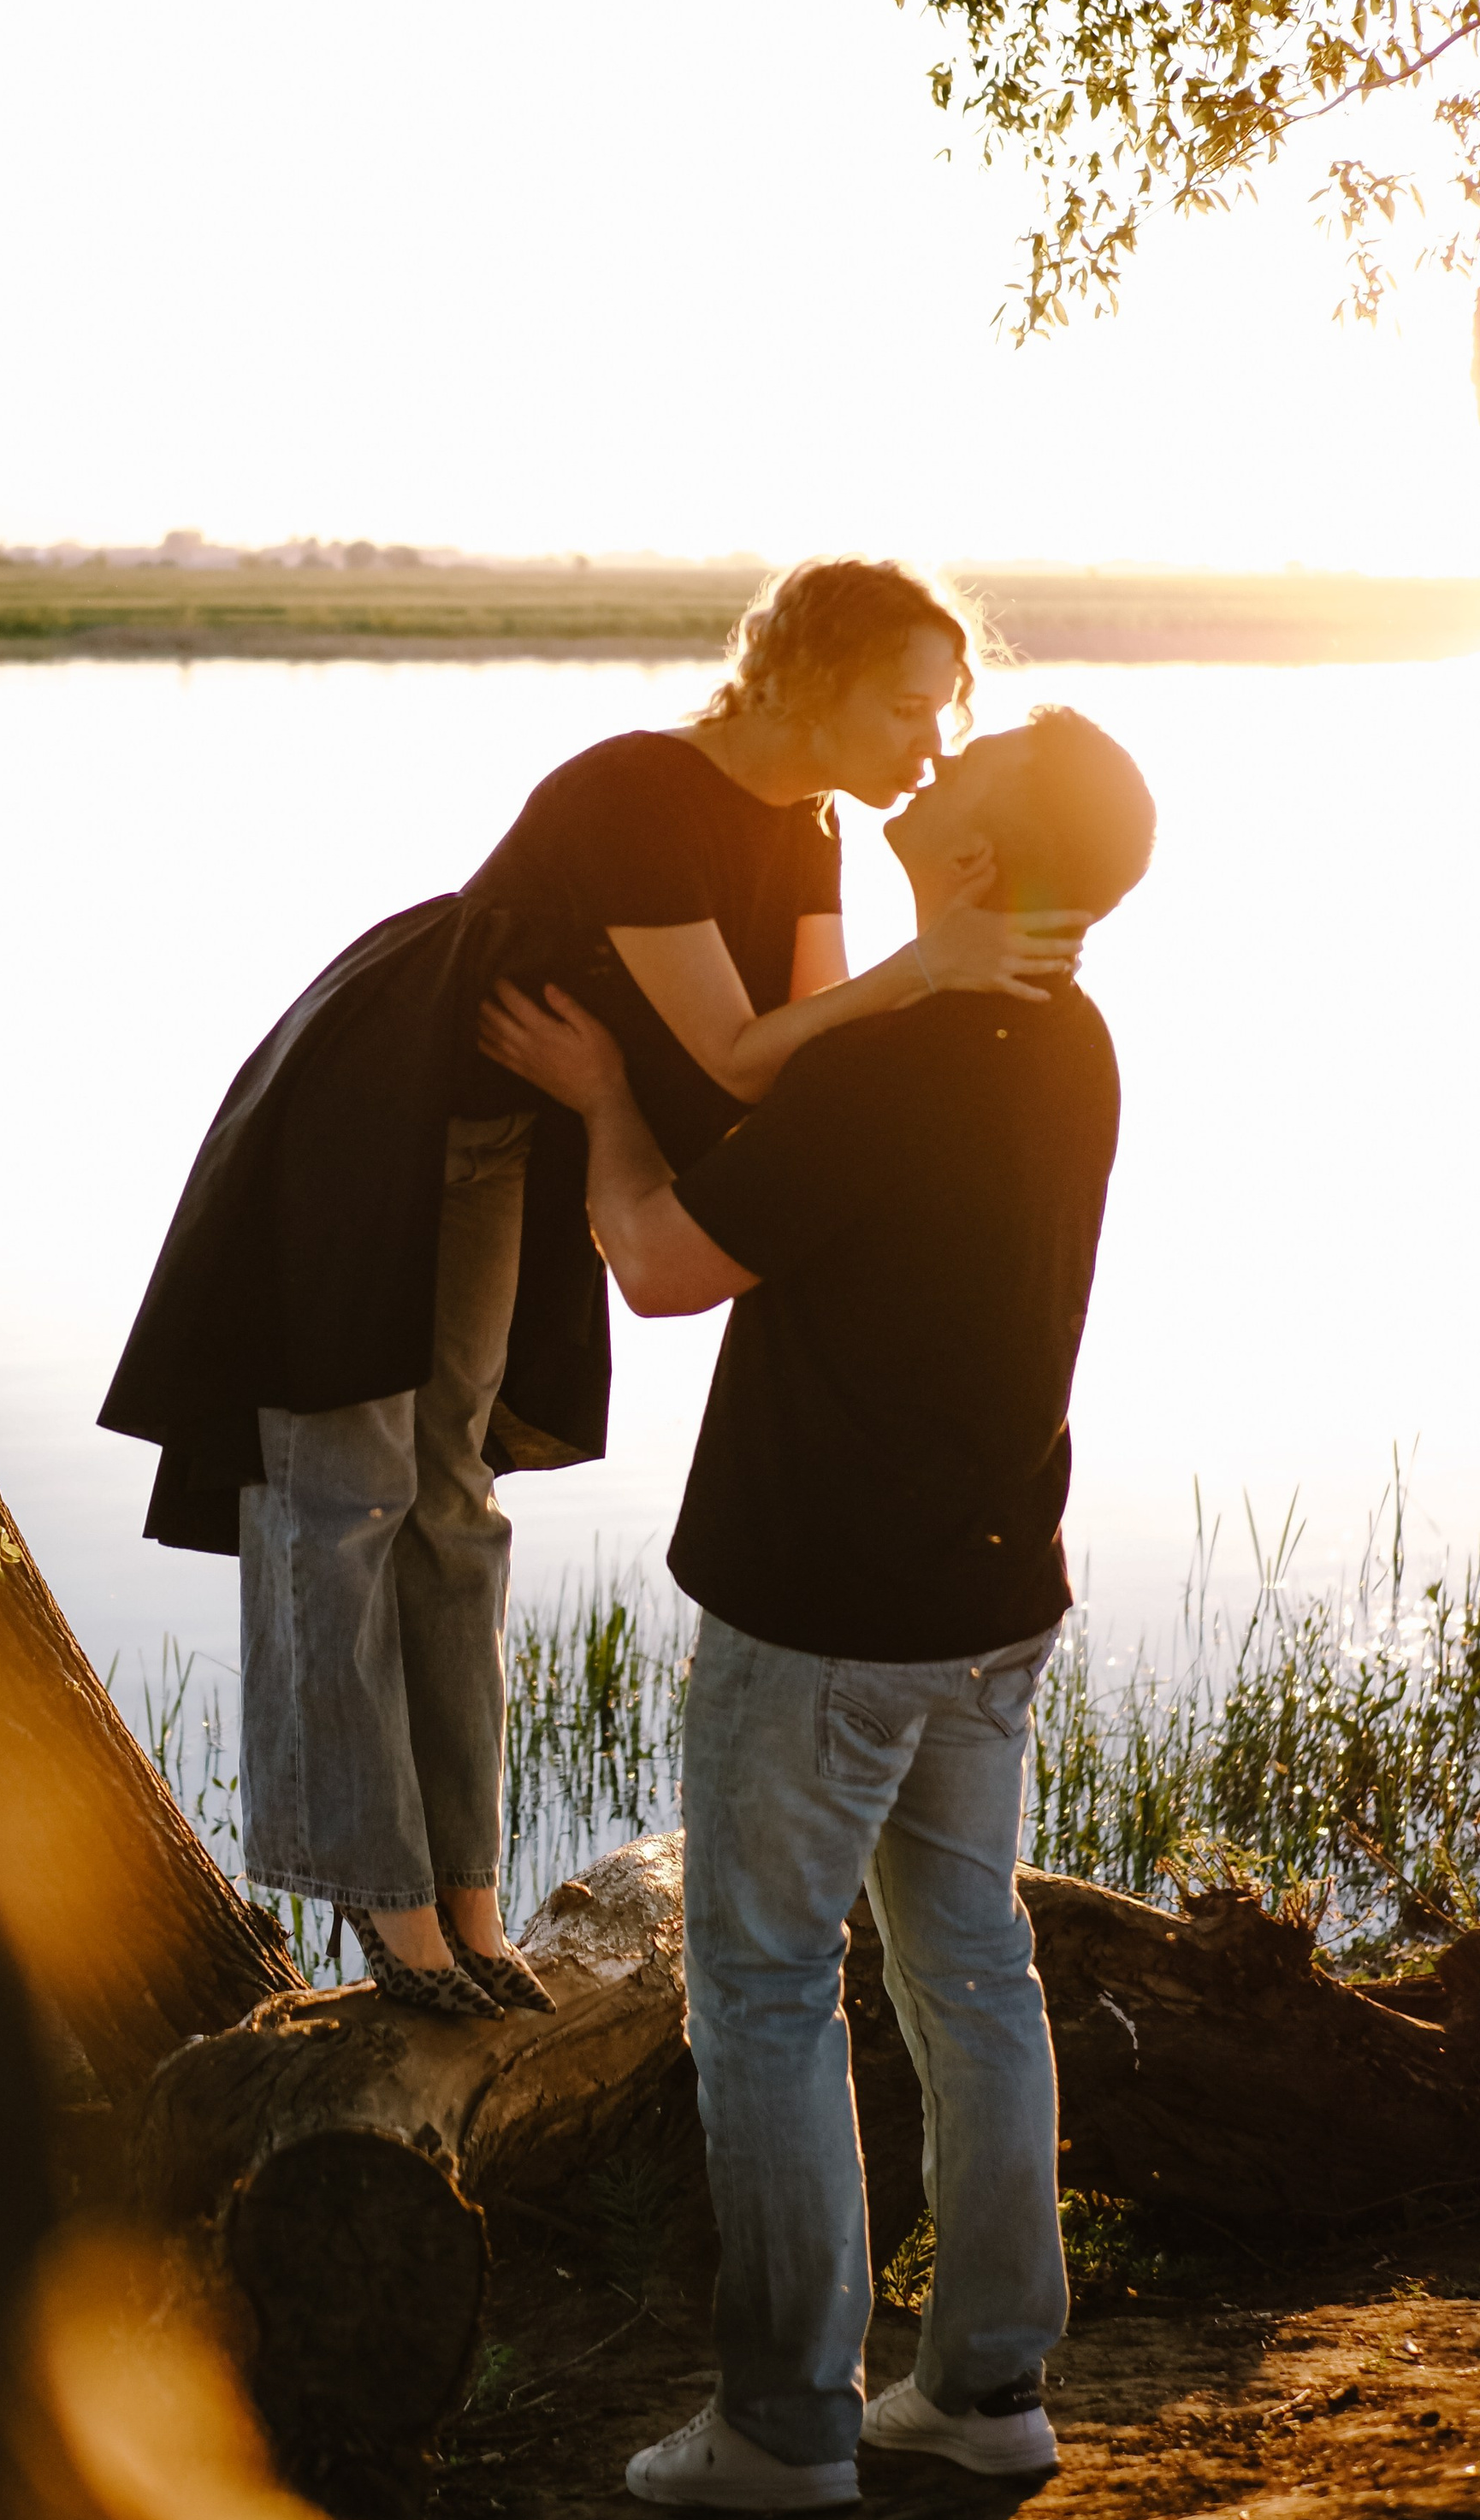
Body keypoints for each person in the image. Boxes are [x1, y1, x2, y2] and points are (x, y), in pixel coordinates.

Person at [101, 563, 1087, 2023]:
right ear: (809, 678)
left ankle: (474, 1907)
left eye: (948, 714)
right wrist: (924, 968)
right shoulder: (638, 792)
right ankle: (390, 1914)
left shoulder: (809, 829)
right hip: (373, 1116)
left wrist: (924, 967)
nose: (932, 743)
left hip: (502, 1137)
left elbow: (794, 1073)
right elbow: (745, 1052)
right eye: (909, 705)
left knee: (455, 1495)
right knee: (348, 1495)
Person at [479, 706, 1156, 2508]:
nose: (921, 772)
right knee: (969, 1976)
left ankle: (784, 2429)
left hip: (826, 1614)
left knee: (766, 1994)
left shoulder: (890, 1071)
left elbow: (657, 1265)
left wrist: (609, 1097)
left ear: (962, 868)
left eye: (962, 769)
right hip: (992, 1592)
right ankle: (988, 2391)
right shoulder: (1068, 1040)